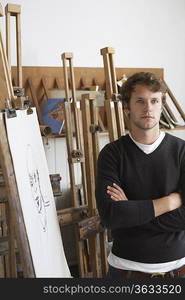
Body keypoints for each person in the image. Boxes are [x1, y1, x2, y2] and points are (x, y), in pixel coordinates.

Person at [95, 72, 185, 278]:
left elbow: (123, 216)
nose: (148, 108)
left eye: (155, 101)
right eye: (140, 101)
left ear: (161, 105)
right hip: (125, 271)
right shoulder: (112, 154)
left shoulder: (182, 152)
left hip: (178, 270)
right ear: (127, 107)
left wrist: (132, 210)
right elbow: (111, 216)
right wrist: (170, 202)